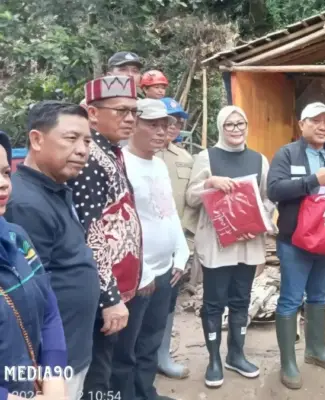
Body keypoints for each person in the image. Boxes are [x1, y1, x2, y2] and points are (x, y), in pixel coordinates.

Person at [5, 101, 100, 400]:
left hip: (61, 357)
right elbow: (24, 305)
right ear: (36, 140)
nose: (83, 149)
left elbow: (45, 301)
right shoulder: (24, 205)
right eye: (71, 138)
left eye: (87, 140)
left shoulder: (56, 189)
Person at [186, 106, 274, 388]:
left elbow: (267, 199)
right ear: (220, 128)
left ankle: (236, 354)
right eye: (229, 125)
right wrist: (210, 183)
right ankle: (213, 359)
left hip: (248, 244)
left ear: (246, 126)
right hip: (217, 244)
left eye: (240, 124)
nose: (236, 129)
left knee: (241, 300)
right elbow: (191, 197)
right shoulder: (206, 157)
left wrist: (257, 223)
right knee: (213, 303)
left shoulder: (259, 160)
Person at [111, 99, 187, 400]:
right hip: (137, 276)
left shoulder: (158, 164)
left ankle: (146, 393)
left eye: (164, 126)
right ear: (133, 124)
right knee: (125, 348)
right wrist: (140, 272)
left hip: (164, 269)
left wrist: (180, 251)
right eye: (152, 125)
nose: (161, 132)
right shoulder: (121, 165)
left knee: (151, 341)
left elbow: (167, 212)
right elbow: (120, 227)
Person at [72, 76, 143, 399]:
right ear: (92, 113)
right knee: (99, 375)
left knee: (116, 364)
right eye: (120, 111)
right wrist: (109, 296)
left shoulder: (112, 151)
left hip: (122, 287)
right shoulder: (88, 159)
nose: (129, 119)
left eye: (133, 112)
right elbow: (91, 232)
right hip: (105, 294)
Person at [267, 102, 325, 390]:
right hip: (295, 239)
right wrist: (312, 180)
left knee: (319, 296)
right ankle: (288, 362)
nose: (322, 126)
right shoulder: (287, 154)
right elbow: (274, 189)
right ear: (302, 125)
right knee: (290, 298)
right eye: (316, 121)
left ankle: (316, 350)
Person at [0, 131, 69, 400]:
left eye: (6, 173)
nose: (3, 184)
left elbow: (48, 308)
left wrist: (54, 379)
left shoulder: (16, 237)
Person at [154, 97, 195, 380]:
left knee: (168, 304)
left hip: (175, 247)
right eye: (168, 119)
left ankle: (162, 355)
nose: (173, 125)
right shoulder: (135, 155)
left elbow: (191, 205)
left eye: (178, 120)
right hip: (143, 248)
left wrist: (185, 243)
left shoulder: (185, 158)